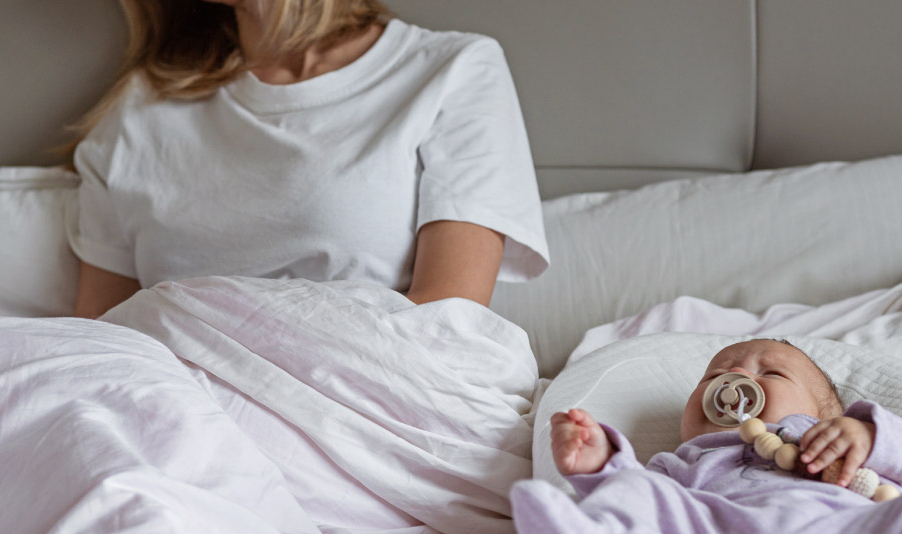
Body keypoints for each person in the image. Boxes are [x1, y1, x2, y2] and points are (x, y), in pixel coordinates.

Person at [65, 0, 549, 319]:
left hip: (362, 407)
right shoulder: (141, 108)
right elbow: (104, 340)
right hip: (173, 412)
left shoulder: (453, 70)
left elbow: (448, 318)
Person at [510, 339, 902, 534]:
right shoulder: (681, 461)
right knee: (643, 496)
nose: (736, 382)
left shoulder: (841, 440)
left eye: (772, 374)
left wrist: (872, 435)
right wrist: (601, 464)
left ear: (824, 415)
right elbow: (638, 503)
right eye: (714, 377)